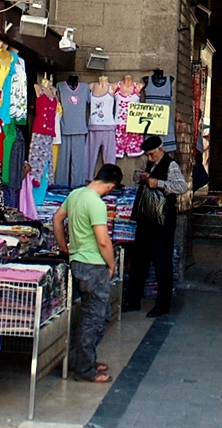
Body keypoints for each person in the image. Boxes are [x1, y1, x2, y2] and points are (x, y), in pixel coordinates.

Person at [53, 163, 122, 381]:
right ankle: (84, 369)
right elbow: (103, 241)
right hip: (94, 265)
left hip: (78, 263)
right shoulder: (96, 203)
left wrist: (63, 247)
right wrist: (112, 265)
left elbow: (57, 219)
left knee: (94, 315)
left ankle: (84, 359)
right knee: (94, 318)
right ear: (111, 186)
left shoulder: (76, 195)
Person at [124, 136, 188, 317]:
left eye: (152, 154)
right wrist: (142, 177)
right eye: (148, 155)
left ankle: (162, 304)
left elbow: (181, 187)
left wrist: (159, 183)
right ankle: (133, 299)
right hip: (146, 219)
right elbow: (135, 177)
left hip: (163, 222)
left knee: (162, 262)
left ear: (161, 149)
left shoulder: (171, 165)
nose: (150, 158)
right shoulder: (147, 162)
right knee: (139, 260)